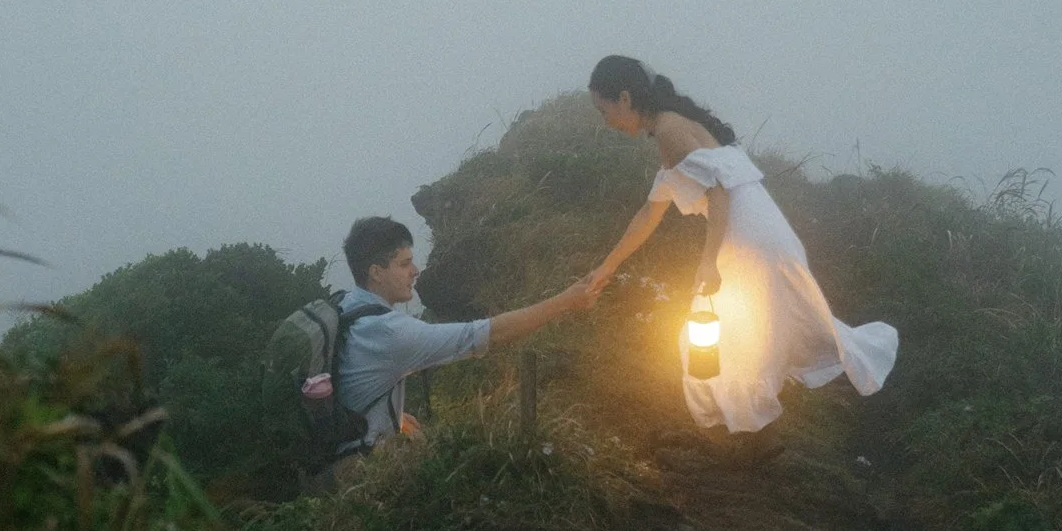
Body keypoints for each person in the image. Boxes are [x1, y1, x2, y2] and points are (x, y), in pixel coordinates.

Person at [585, 56, 897, 447]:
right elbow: (650, 211)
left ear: (625, 98)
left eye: (604, 110)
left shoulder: (670, 131)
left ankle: (745, 436)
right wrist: (606, 267)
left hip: (747, 239)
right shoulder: (672, 126)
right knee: (742, 338)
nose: (606, 121)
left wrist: (708, 262)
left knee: (721, 339)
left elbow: (718, 193)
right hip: (761, 230)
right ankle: (749, 434)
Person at [334, 214, 594, 459]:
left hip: (333, 450)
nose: (415, 270)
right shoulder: (389, 332)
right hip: (354, 470)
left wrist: (393, 417)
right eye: (404, 264)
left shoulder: (345, 304)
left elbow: (357, 378)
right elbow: (481, 336)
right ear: (376, 272)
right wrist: (566, 301)